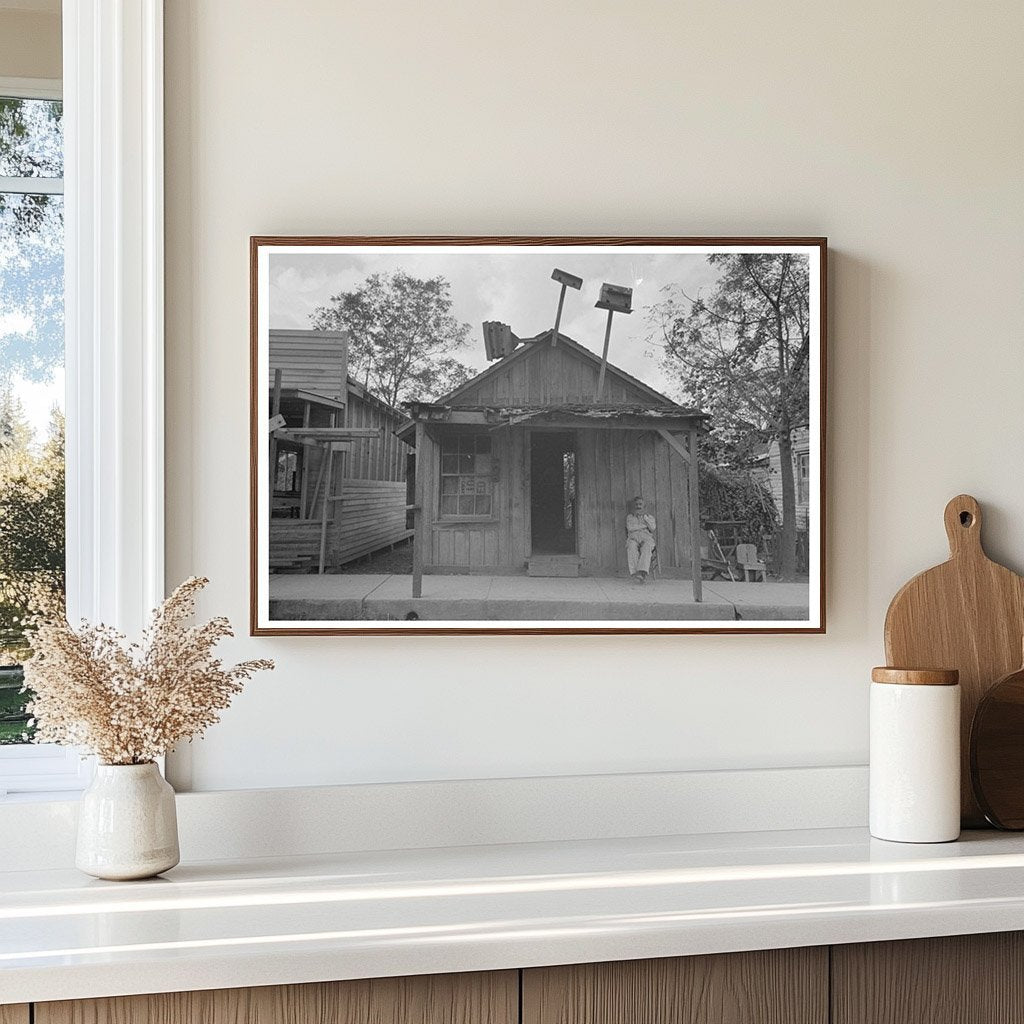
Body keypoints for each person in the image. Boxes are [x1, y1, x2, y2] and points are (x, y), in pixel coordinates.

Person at [626, 496, 656, 583]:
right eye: (636, 504)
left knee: (647, 547)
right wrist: (644, 526)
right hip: (633, 538)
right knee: (631, 547)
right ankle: (635, 573)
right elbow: (630, 528)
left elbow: (653, 528)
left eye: (640, 504)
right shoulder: (630, 517)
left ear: (644, 506)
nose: (638, 506)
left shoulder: (649, 517)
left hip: (646, 538)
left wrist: (645, 518)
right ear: (634, 506)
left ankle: (642, 572)